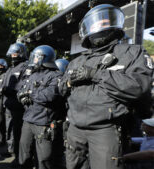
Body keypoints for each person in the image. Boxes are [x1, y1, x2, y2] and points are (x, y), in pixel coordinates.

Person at [58, 4, 153, 169]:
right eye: (95, 22)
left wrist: (95, 74)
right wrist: (68, 82)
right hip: (75, 130)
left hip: (106, 130)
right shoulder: (77, 60)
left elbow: (139, 87)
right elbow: (61, 89)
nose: (99, 26)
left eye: (104, 21)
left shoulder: (131, 52)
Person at [17, 45, 65, 169]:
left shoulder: (56, 75)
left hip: (43, 123)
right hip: (28, 120)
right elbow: (20, 90)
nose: (34, 60)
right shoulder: (32, 75)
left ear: (45, 58)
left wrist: (30, 95)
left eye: (37, 57)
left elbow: (50, 95)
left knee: (44, 159)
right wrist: (21, 96)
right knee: (24, 154)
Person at [1, 43, 28, 163]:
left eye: (15, 53)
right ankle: (11, 149)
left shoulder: (25, 67)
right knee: (9, 129)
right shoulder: (11, 68)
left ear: (21, 53)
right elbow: (4, 84)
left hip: (18, 106)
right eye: (11, 53)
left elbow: (24, 85)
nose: (12, 55)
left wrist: (10, 90)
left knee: (18, 132)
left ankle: (18, 157)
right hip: (9, 105)